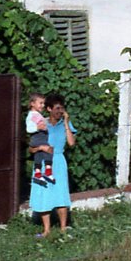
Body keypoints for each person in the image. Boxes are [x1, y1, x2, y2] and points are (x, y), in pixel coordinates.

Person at [29, 93, 77, 238]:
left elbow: (71, 143)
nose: (60, 112)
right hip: (43, 161)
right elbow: (31, 148)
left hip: (58, 161)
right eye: (57, 108)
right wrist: (41, 148)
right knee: (44, 194)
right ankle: (46, 230)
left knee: (61, 193)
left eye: (62, 108)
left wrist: (66, 123)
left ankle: (63, 228)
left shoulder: (65, 124)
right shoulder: (41, 124)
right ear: (49, 109)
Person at [25, 93, 52, 186]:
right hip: (38, 138)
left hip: (39, 138)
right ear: (32, 103)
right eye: (40, 103)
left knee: (38, 156)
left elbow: (43, 122)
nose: (43, 105)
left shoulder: (36, 114)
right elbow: (29, 129)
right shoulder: (32, 115)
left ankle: (38, 173)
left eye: (43, 103)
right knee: (48, 150)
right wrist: (37, 128)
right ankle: (48, 171)